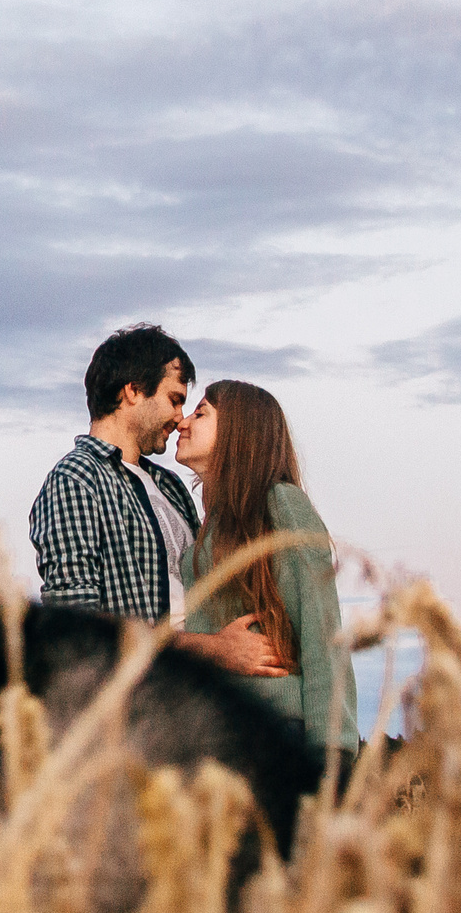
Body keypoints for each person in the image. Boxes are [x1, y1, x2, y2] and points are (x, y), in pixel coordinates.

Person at [29, 325, 284, 676]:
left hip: (204, 698)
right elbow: (76, 626)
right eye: (174, 400)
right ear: (133, 391)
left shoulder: (171, 486)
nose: (180, 418)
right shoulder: (76, 479)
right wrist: (214, 650)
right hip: (140, 710)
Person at [173, 379, 359, 768]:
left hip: (275, 734)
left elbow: (321, 625)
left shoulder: (280, 504)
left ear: (240, 431)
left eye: (201, 412)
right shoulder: (207, 534)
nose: (182, 422)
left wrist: (334, 750)